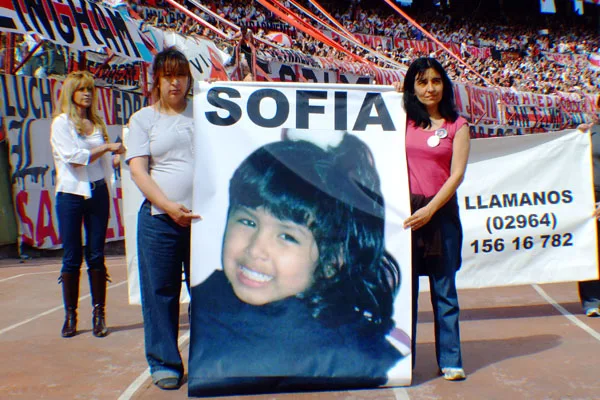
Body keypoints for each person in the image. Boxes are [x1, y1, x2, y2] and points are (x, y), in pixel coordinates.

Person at [188, 133, 405, 397]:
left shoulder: (361, 354)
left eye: (287, 236)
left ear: (332, 261)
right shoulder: (205, 303)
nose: (256, 249)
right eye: (247, 222)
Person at [126, 46, 200, 391]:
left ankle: (206, 358)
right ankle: (164, 362)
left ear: (189, 80)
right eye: (168, 76)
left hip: (203, 221)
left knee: (206, 291)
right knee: (161, 292)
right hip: (160, 220)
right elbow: (139, 172)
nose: (175, 83)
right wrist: (169, 206)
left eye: (181, 75)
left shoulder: (207, 113)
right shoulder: (143, 119)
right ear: (157, 80)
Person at [394, 57, 470, 381]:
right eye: (422, 81)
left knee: (444, 291)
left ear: (445, 85)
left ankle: (450, 360)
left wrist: (431, 209)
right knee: (405, 292)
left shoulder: (458, 125)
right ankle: (403, 360)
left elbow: (456, 176)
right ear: (412, 86)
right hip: (405, 215)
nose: (430, 88)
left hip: (440, 214)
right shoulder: (402, 120)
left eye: (436, 81)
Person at [50, 70, 124, 338]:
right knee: (72, 256)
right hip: (71, 194)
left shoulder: (97, 123)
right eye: (82, 89)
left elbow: (103, 162)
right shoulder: (61, 123)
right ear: (71, 92)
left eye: (90, 89)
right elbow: (74, 158)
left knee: (96, 254)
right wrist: (106, 148)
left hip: (98, 192)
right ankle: (70, 315)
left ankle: (98, 313)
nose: (87, 94)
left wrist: (118, 156)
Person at [578, 119, 600, 317]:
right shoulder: (587, 133)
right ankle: (592, 300)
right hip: (590, 198)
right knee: (590, 248)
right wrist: (575, 136)